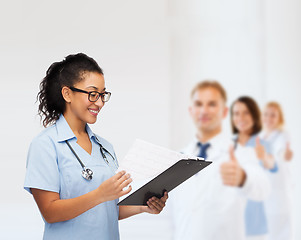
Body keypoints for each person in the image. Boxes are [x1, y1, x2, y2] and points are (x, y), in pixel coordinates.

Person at [24, 53, 168, 240]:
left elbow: (106, 210)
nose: (99, 102)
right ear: (67, 93)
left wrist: (143, 207)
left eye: (102, 95)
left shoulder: (105, 147)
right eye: (92, 94)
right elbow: (50, 212)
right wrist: (99, 194)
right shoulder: (45, 145)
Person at [168, 81, 270, 240]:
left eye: (212, 104)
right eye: (199, 104)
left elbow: (263, 188)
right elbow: (174, 218)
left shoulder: (240, 153)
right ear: (191, 110)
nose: (204, 110)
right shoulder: (178, 157)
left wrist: (243, 178)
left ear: (224, 112)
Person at [230, 96, 278, 240]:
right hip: (230, 222)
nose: (241, 118)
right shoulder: (228, 145)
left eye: (246, 113)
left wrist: (264, 158)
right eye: (236, 113)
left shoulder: (261, 143)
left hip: (254, 225)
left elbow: (273, 165)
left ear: (254, 115)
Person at [260, 101, 294, 240]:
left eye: (273, 115)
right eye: (266, 114)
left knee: (280, 233)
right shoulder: (261, 138)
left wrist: (285, 154)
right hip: (265, 194)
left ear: (279, 118)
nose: (269, 118)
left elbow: (283, 153)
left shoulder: (283, 136)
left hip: (279, 196)